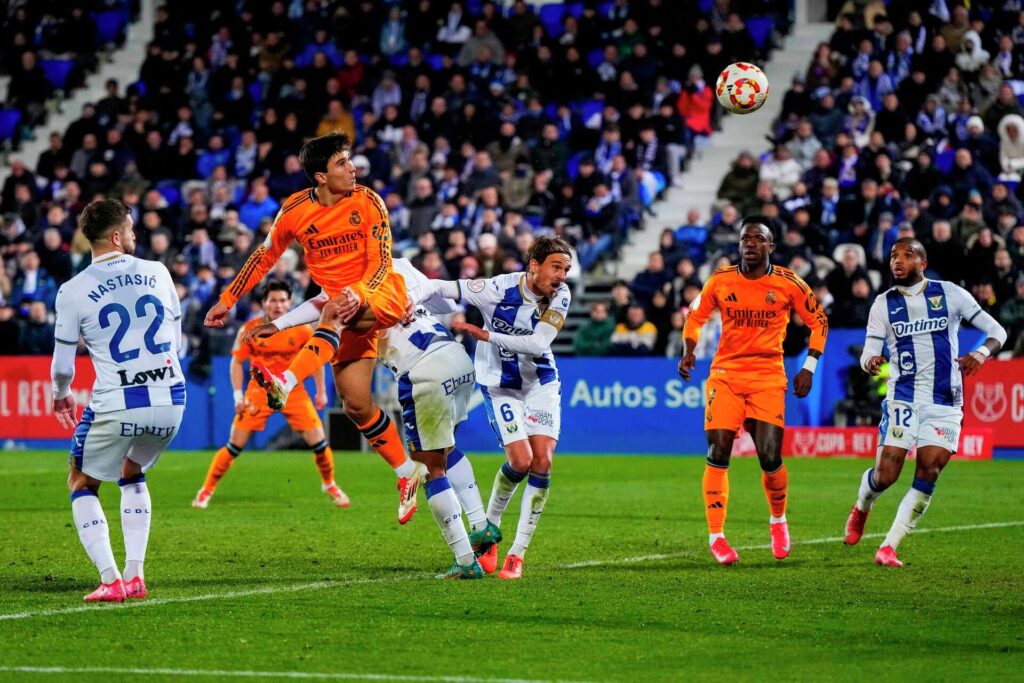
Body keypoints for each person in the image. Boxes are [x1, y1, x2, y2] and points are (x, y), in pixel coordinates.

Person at [204, 133, 425, 524]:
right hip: (342, 306)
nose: (352, 167)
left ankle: (286, 383)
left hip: (381, 291)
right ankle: (407, 473)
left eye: (350, 160)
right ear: (320, 177)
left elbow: (380, 260)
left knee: (332, 311)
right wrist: (228, 299)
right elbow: (263, 255)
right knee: (356, 404)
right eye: (342, 163)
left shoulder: (368, 200)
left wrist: (358, 292)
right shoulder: (294, 211)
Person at [263, 259, 489, 578]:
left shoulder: (352, 285)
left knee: (429, 469)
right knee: (447, 449)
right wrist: (415, 296)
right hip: (457, 358)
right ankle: (482, 528)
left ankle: (466, 560)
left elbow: (325, 309)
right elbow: (446, 301)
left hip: (423, 372)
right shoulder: (400, 267)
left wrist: (282, 337)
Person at [50, 199, 186, 602]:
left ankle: (111, 580)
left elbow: (62, 367)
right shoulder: (158, 272)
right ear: (115, 236)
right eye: (129, 229)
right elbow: (175, 342)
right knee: (131, 471)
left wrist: (61, 397)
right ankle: (136, 575)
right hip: (172, 398)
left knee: (81, 479)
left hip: (119, 399)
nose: (134, 235)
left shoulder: (72, 290)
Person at [417, 236, 573, 579]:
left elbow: (538, 343)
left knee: (542, 461)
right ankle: (489, 532)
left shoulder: (561, 295)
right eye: (556, 267)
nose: (562, 276)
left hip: (540, 383)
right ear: (534, 265)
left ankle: (517, 553)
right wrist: (409, 298)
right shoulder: (496, 288)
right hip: (499, 385)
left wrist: (485, 335)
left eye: (566, 269)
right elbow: (442, 287)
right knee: (521, 461)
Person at [844, 238, 1007, 567]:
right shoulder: (883, 304)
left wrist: (980, 353)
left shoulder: (949, 293)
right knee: (886, 475)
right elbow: (868, 351)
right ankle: (862, 505)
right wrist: (870, 362)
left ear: (922, 261)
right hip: (903, 397)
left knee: (929, 469)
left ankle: (889, 546)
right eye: (893, 256)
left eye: (906, 255)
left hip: (945, 401)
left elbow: (997, 330)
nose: (897, 261)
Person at [679, 217, 828, 565]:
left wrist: (809, 366)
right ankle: (717, 537)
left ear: (770, 247)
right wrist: (689, 349)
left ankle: (778, 519)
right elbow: (696, 316)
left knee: (769, 456)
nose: (750, 243)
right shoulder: (720, 279)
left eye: (758, 238)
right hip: (726, 376)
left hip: (767, 377)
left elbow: (819, 321)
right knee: (718, 451)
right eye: (745, 238)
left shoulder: (788, 282)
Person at [192, 280, 346, 510]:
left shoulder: (302, 329)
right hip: (259, 392)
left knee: (320, 442)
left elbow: (315, 361)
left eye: (283, 300)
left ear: (290, 302)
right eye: (273, 300)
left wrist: (322, 391)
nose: (278, 305)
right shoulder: (250, 330)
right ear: (264, 303)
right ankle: (206, 490)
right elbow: (236, 363)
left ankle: (329, 484)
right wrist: (237, 396)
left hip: (293, 391)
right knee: (234, 445)